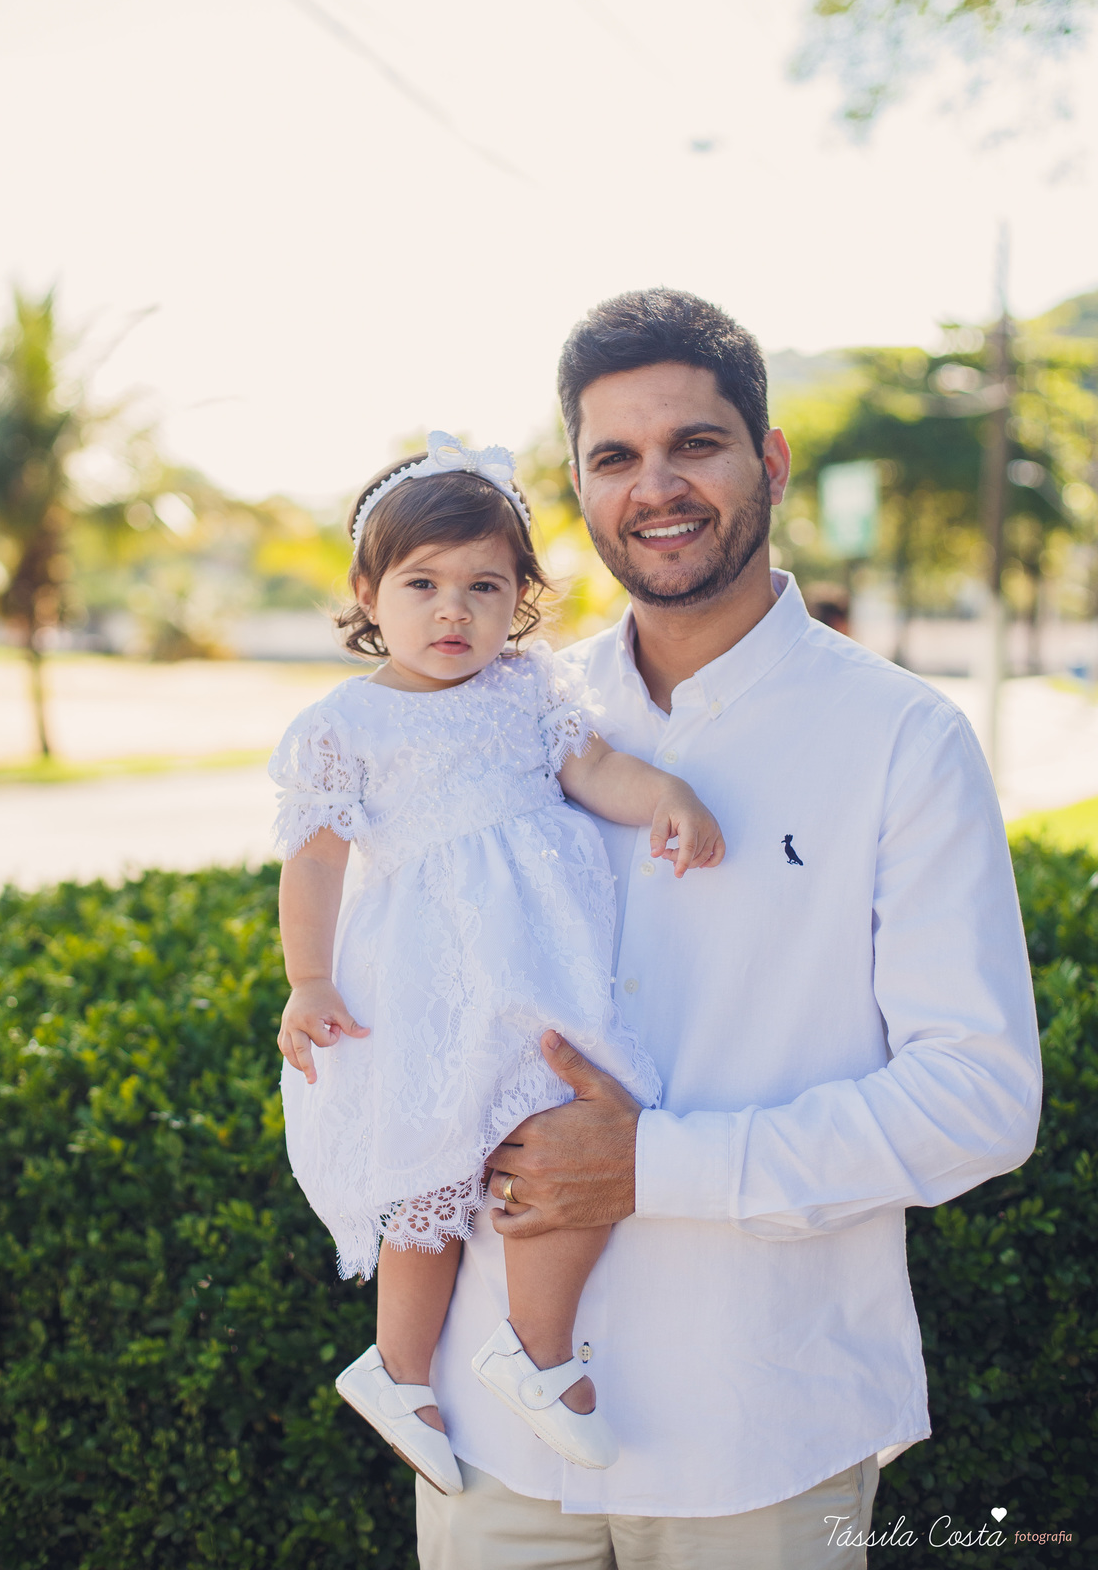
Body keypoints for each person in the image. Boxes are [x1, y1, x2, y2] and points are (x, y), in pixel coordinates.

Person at [416, 290, 1042, 1569]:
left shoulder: (902, 741)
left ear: (768, 461)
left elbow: (981, 1098)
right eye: (614, 458)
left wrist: (653, 1167)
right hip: (492, 1433)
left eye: (694, 444)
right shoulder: (504, 710)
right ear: (579, 493)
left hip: (764, 1430)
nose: (657, 487)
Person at [268, 431, 724, 1499]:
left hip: (538, 978)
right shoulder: (344, 724)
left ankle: (535, 1347)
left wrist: (666, 795)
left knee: (564, 1149)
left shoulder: (526, 690)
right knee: (426, 1179)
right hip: (424, 988)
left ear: (520, 597)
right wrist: (310, 979)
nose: (452, 612)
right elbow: (315, 862)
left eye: (485, 585)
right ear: (368, 591)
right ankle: (399, 1371)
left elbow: (597, 765)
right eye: (422, 584)